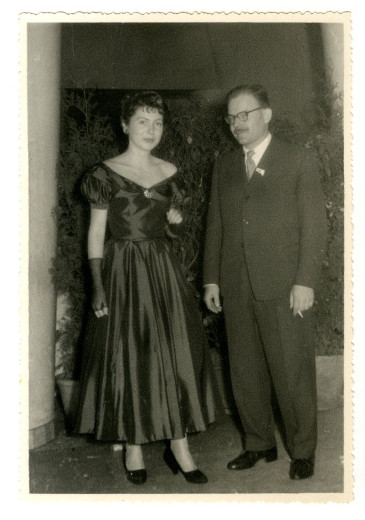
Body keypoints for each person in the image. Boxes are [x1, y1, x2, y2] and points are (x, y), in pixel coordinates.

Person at [75, 91, 219, 486]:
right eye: (143, 121)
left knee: (174, 354)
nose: (151, 130)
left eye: (157, 123)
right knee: (129, 355)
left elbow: (173, 229)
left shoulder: (170, 171)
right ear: (125, 125)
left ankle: (180, 446)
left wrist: (174, 222)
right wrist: (97, 284)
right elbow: (96, 232)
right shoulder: (104, 173)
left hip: (162, 271)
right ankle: (133, 445)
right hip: (122, 270)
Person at [203, 84, 327, 480]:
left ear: (267, 114)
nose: (237, 123)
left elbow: (315, 226)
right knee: (244, 371)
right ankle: (259, 444)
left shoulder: (297, 159)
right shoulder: (223, 165)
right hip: (236, 286)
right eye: (231, 117)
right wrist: (210, 279)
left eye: (245, 114)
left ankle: (302, 449)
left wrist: (305, 281)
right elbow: (216, 226)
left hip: (285, 286)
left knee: (292, 372)